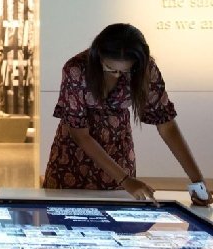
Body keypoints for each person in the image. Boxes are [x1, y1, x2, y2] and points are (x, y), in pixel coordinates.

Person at [43, 23, 212, 205]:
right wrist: (125, 180)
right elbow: (80, 135)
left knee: (117, 218)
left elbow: (167, 126)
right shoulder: (76, 69)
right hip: (73, 155)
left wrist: (197, 180)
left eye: (125, 71)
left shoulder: (146, 70)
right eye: (110, 68)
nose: (117, 76)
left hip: (118, 152)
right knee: (67, 213)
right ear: (97, 56)